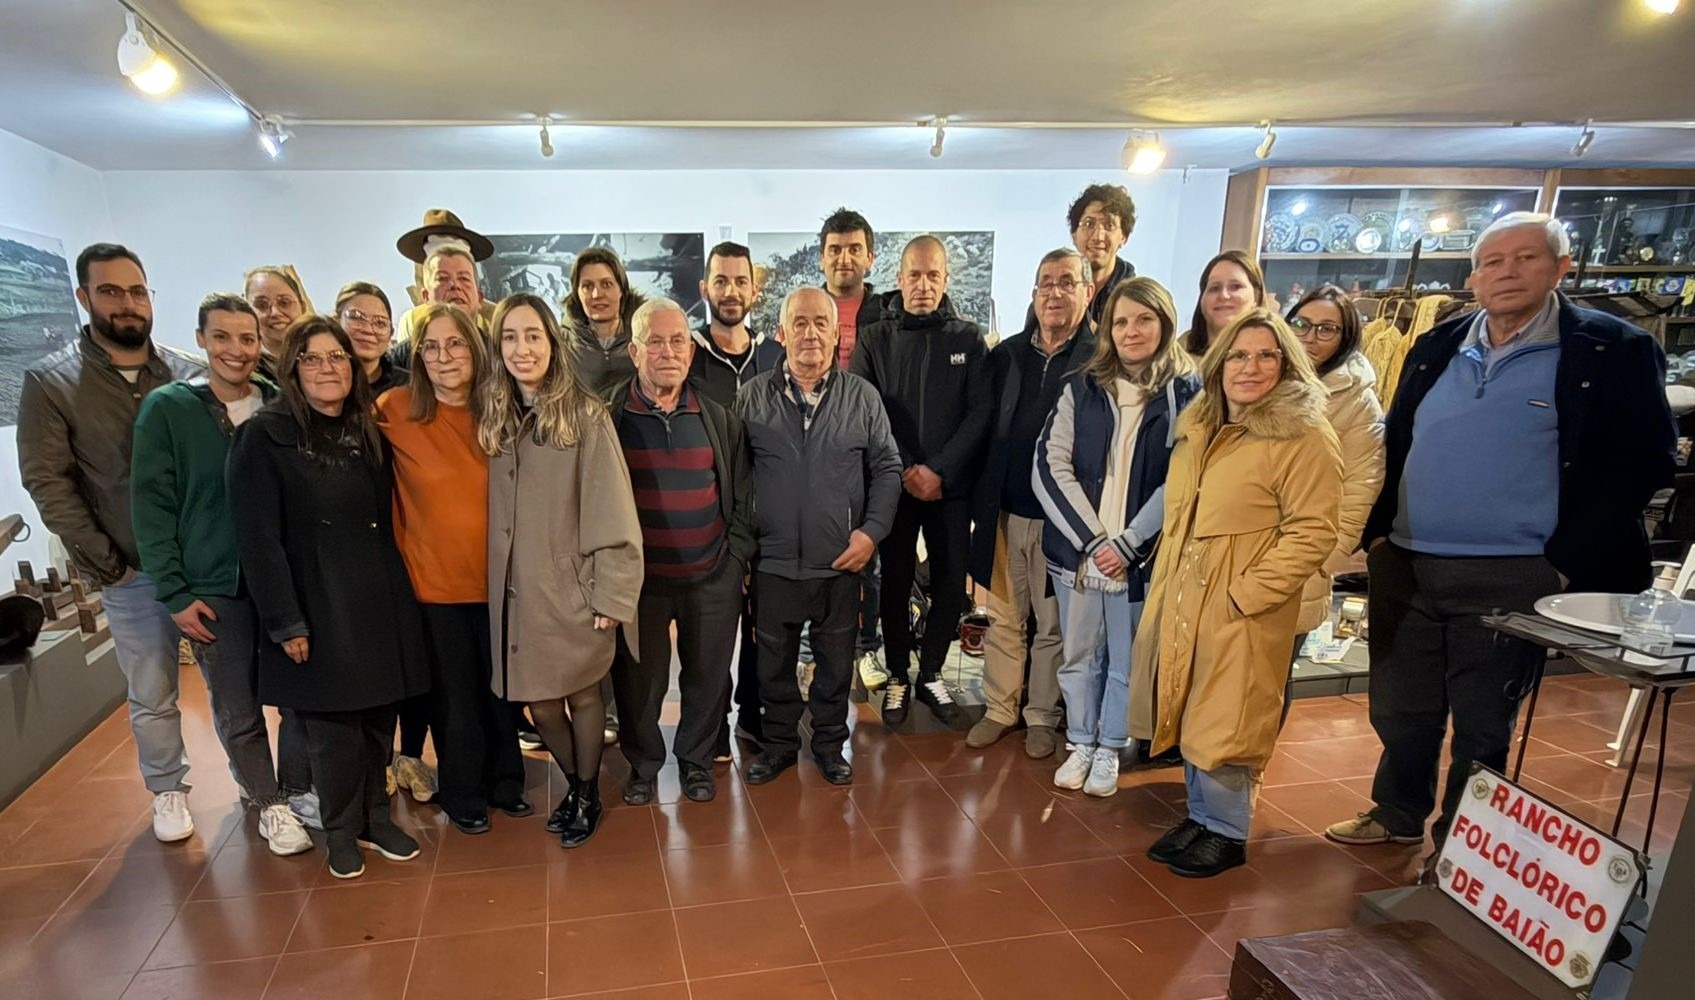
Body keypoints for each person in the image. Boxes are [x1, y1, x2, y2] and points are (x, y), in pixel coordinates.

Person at [1326, 213, 1676, 850]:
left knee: (1484, 721)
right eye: (1493, 261)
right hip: (1408, 560)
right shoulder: (1438, 345)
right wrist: (1377, 538)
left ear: (1560, 269)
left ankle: (1463, 845)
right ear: (1473, 276)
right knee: (1400, 709)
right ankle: (1397, 814)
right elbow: (1396, 445)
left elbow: (1646, 458)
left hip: (1514, 570)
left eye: (1526, 258)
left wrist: (1566, 561)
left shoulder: (1610, 349)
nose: (1507, 272)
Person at [1135, 307, 1342, 878]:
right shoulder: (1201, 426)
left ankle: (1229, 831)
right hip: (1185, 591)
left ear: (1286, 364)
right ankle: (1201, 816)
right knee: (1192, 705)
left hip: (1241, 600)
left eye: (1266, 355)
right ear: (1220, 363)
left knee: (1231, 713)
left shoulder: (1302, 434)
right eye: (1239, 355)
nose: (1250, 367)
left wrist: (1246, 594)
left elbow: (1314, 529)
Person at [229, 315, 431, 879]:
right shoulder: (264, 435)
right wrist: (285, 621)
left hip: (375, 596)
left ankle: (375, 817)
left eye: (337, 357)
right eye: (313, 358)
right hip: (315, 602)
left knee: (376, 720)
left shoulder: (363, 426)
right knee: (330, 731)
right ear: (292, 367)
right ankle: (341, 829)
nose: (327, 368)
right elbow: (258, 538)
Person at [18, 244, 207, 842]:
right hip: (133, 569)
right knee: (152, 688)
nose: (127, 304)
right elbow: (48, 481)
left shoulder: (185, 373)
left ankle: (259, 788)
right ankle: (168, 790)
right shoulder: (52, 383)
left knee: (234, 687)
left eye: (137, 291)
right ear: (84, 297)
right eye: (111, 291)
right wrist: (109, 564)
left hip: (203, 562)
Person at [129, 292, 310, 856]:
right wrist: (175, 590)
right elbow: (151, 505)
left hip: (281, 579)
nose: (237, 350)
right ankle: (267, 803)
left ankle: (299, 789)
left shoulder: (281, 404)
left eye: (248, 338)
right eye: (224, 337)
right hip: (214, 585)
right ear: (202, 339)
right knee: (237, 703)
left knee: (300, 695)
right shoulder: (168, 409)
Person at [481, 293, 643, 848]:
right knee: (542, 704)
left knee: (584, 695)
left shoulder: (584, 414)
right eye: (510, 337)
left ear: (552, 342)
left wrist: (610, 595)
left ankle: (586, 791)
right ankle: (576, 783)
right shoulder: (495, 415)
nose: (522, 349)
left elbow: (612, 508)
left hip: (574, 588)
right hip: (518, 592)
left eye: (533, 336)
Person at [1035, 277, 1200, 794]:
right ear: (1107, 329)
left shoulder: (1188, 394)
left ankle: (1111, 748)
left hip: (1141, 559)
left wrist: (1129, 544)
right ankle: (1080, 740)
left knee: (1128, 661)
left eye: (1144, 319)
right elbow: (1048, 465)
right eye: (1122, 321)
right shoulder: (1080, 387)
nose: (1132, 331)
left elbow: (1185, 478)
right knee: (1080, 653)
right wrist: (1092, 541)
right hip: (1080, 554)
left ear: (1165, 323)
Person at [376, 302, 530, 835]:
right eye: (432, 347)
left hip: (499, 584)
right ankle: (463, 791)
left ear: (476, 348)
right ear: (418, 356)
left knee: (501, 692)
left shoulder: (503, 412)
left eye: (455, 344)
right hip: (434, 586)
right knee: (454, 698)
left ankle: (506, 783)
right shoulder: (394, 410)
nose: (444, 357)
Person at [738, 287, 902, 785]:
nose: (810, 333)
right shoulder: (750, 396)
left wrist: (872, 534)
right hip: (773, 564)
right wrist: (745, 550)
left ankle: (831, 746)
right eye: (800, 323)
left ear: (836, 334)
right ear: (782, 333)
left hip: (841, 563)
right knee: (773, 667)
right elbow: (735, 477)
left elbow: (888, 468)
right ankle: (781, 744)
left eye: (820, 324)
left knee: (835, 666)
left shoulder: (863, 398)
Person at [608, 299, 756, 805]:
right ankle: (645, 766)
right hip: (641, 584)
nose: (667, 351)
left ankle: (696, 763)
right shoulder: (608, 418)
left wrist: (734, 557)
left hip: (711, 575)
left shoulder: (718, 418)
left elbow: (741, 492)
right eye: (655, 340)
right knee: (639, 685)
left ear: (691, 353)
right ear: (634, 350)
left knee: (707, 678)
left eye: (677, 342)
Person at [850, 235, 991, 730]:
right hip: (894, 482)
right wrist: (908, 467)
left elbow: (979, 414)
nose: (923, 285)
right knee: (893, 580)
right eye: (915, 274)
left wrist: (939, 470)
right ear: (899, 277)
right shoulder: (875, 337)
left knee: (952, 583)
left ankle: (930, 671)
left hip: (950, 488)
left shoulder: (968, 339)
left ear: (946, 279)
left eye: (934, 275)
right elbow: (868, 408)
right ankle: (896, 674)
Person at [966, 248, 1097, 756]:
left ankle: (1042, 714)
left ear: (1087, 291)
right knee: (1003, 616)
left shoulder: (1098, 359)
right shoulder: (1007, 355)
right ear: (1034, 293)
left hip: (1062, 520)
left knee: (1053, 624)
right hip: (1003, 509)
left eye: (1067, 282)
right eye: (1046, 283)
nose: (1055, 292)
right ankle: (1001, 708)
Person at [1286, 287, 1385, 710]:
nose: (1310, 337)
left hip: (1302, 564)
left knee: (1269, 685)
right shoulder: (1267, 375)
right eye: (1302, 324)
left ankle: (1248, 776)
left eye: (1326, 329)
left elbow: (1361, 491)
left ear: (1345, 337)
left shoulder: (1359, 402)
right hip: (1239, 559)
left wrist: (1322, 562)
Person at [817, 207, 889, 693]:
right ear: (821, 259)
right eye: (834, 250)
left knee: (871, 559)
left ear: (870, 256)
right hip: (816, 454)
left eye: (853, 249)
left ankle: (868, 648)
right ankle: (811, 653)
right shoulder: (803, 309)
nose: (844, 259)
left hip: (868, 452)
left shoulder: (887, 314)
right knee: (816, 558)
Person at [689, 241, 782, 408]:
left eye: (741, 282)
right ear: (704, 290)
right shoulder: (685, 355)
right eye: (720, 282)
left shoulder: (776, 357)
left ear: (754, 292)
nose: (731, 292)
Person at [395, 208, 497, 345]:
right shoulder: (411, 321)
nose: (454, 285)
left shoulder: (498, 320)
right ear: (426, 296)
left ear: (479, 296)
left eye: (463, 278)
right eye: (442, 278)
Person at [564, 247, 648, 393]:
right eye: (587, 286)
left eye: (606, 284)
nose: (597, 294)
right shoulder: (561, 344)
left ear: (621, 289)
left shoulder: (645, 337)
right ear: (576, 294)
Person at [1180, 251, 1266, 358]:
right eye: (1214, 288)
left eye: (1235, 287)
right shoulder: (1175, 356)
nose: (1223, 296)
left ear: (1257, 297)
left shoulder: (1275, 357)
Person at [337, 281, 406, 394]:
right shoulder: (316, 384)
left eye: (380, 323)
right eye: (356, 317)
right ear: (336, 322)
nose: (368, 329)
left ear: (391, 333)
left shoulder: (411, 387)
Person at [244, 265, 308, 381]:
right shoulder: (243, 372)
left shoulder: (325, 361)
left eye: (284, 303)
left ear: (303, 307)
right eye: (262, 305)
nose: (275, 313)